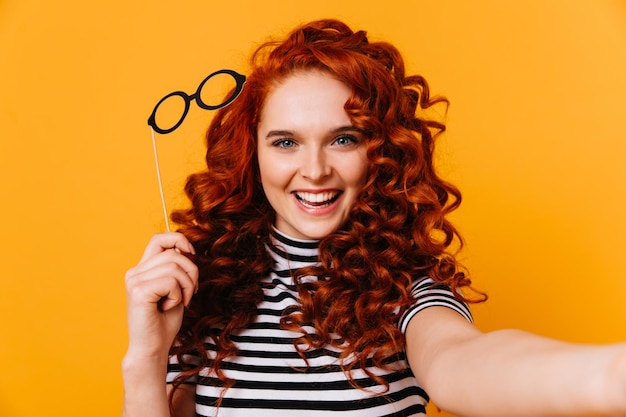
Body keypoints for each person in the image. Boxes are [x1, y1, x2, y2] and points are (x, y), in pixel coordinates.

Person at [123, 19, 626, 417]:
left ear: (378, 152)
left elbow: (461, 363)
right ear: (252, 155)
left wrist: (608, 376)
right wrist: (146, 357)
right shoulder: (204, 290)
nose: (315, 170)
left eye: (343, 139)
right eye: (286, 142)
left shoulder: (405, 286)